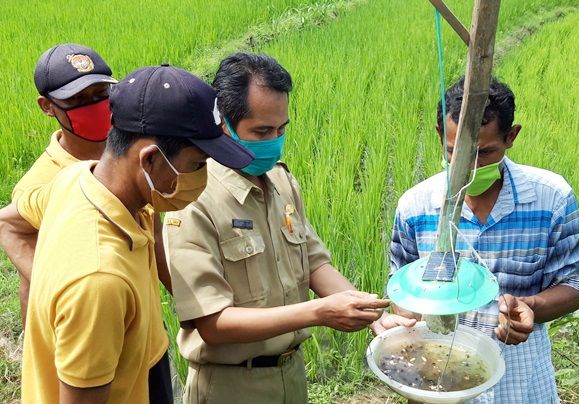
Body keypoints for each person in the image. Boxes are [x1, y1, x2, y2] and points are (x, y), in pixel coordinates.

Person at [0, 65, 253, 403]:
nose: (201, 177)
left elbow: (8, 219)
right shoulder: (99, 282)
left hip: (142, 361)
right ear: (150, 160)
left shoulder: (81, 181)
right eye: (196, 163)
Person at [164, 52, 413, 404]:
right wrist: (318, 313)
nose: (274, 141)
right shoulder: (194, 201)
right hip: (231, 386)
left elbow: (313, 261)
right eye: (262, 131)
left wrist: (375, 317)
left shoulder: (280, 181)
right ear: (224, 125)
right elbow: (212, 324)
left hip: (291, 376)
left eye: (281, 129)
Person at [389, 77, 579, 402]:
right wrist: (409, 327)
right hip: (441, 373)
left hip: (520, 376)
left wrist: (530, 306)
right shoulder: (416, 206)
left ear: (511, 136)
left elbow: (573, 286)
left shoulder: (551, 199)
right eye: (456, 153)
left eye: (484, 153)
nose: (468, 166)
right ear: (441, 137)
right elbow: (402, 286)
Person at [5, 43, 172, 327]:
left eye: (100, 94)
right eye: (78, 99)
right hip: (94, 338)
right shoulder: (38, 186)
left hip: (147, 331)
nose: (94, 106)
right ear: (47, 106)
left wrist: (186, 301)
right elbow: (32, 283)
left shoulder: (133, 154)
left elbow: (154, 234)